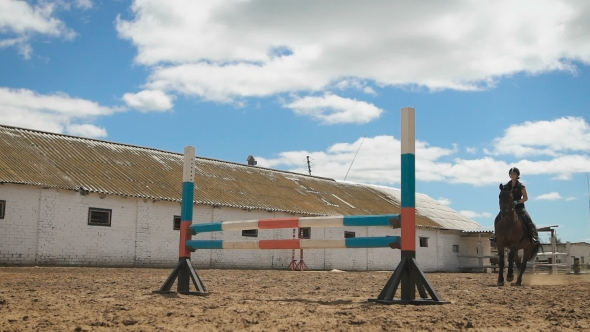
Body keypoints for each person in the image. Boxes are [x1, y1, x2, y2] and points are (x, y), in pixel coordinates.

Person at [490, 167, 539, 244]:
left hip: (519, 207)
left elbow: (526, 198)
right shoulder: (506, 186)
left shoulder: (521, 186)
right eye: (511, 174)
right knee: (497, 218)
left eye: (514, 174)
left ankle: (533, 236)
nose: (512, 175)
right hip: (508, 208)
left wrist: (517, 202)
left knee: (528, 219)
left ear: (517, 175)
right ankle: (495, 235)